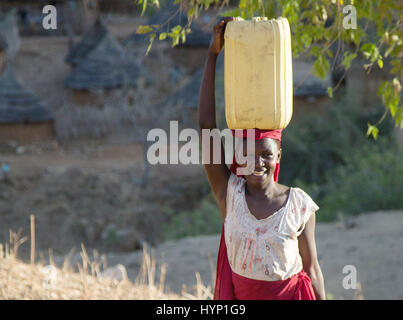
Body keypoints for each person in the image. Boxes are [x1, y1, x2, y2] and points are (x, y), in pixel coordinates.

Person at [198, 17, 326, 300]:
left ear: (278, 154)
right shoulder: (228, 194)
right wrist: (212, 55)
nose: (256, 162)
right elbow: (207, 126)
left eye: (265, 154)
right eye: (246, 153)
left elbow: (312, 269)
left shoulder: (299, 206)